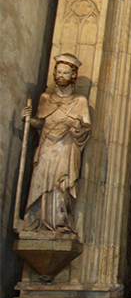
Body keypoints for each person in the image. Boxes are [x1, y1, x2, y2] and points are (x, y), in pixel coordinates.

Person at [21, 54, 91, 233]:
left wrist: (77, 127)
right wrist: (29, 119)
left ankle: (60, 221)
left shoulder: (80, 101)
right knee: (39, 182)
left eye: (65, 73)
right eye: (59, 72)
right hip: (46, 147)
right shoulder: (46, 98)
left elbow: (85, 128)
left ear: (73, 76)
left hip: (65, 149)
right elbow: (41, 123)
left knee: (62, 184)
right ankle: (36, 220)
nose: (61, 76)